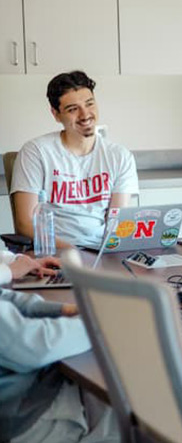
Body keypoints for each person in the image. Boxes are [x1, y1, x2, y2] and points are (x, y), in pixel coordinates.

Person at [11, 70, 139, 250]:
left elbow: (117, 223)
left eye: (89, 104)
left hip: (101, 252)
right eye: (73, 109)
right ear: (55, 114)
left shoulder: (120, 156)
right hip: (53, 252)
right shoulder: (36, 152)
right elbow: (25, 224)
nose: (85, 115)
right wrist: (74, 253)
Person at [0, 248, 117, 441]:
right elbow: (32, 346)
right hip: (24, 413)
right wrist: (97, 325)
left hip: (32, 388)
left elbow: (9, 299)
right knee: (140, 411)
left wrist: (64, 310)